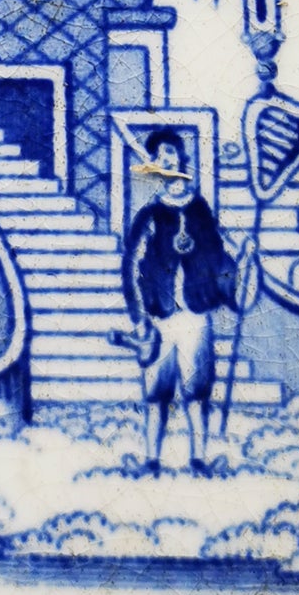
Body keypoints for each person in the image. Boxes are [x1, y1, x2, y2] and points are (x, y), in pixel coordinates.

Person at [121, 131, 237, 475]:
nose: (166, 161)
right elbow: (131, 265)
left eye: (170, 153)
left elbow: (218, 258)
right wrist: (138, 316)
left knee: (196, 391)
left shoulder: (200, 211)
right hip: (159, 316)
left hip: (195, 314)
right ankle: (151, 460)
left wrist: (235, 269)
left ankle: (198, 460)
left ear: (181, 158)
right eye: (159, 157)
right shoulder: (149, 215)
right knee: (156, 393)